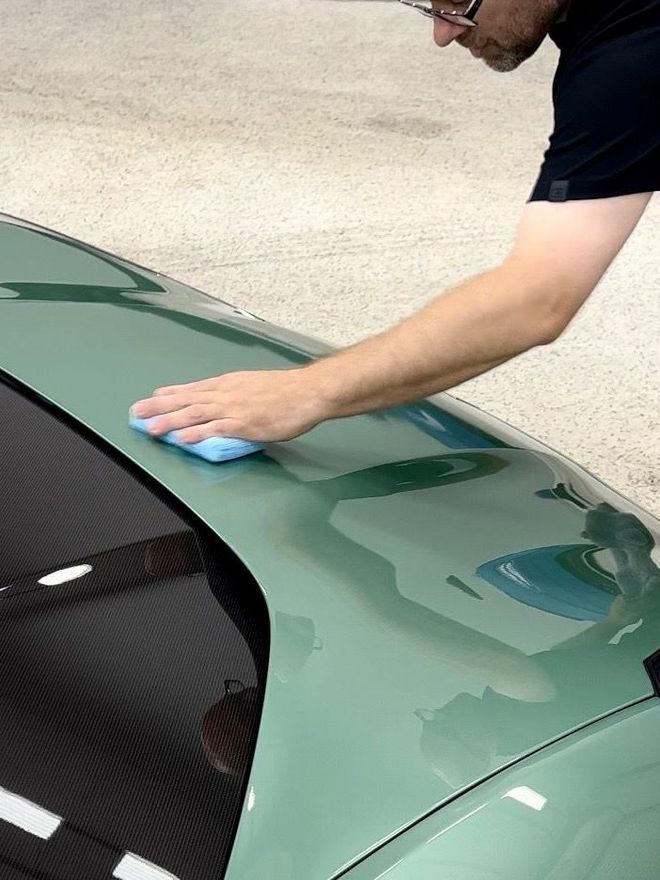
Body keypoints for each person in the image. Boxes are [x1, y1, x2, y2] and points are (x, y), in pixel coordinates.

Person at [131, 0, 659, 444]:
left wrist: (307, 392)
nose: (443, 33)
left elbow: (536, 299)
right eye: (428, 7)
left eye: (459, 6)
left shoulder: (632, 59)